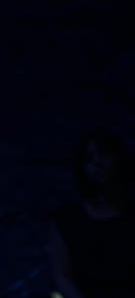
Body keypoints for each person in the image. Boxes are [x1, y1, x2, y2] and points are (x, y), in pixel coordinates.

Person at [48, 127, 135, 298]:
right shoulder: (67, 220)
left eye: (104, 154)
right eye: (89, 159)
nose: (98, 163)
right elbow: (62, 275)